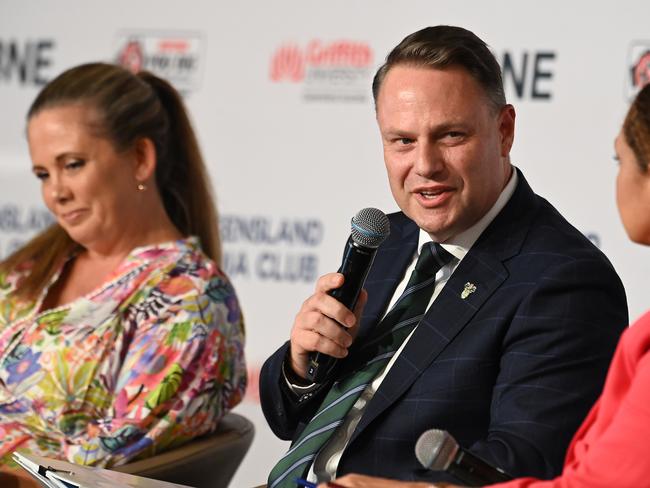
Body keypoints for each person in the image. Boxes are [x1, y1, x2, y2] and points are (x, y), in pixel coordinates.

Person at [260, 25, 629, 487]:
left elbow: (525, 462)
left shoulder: (566, 280)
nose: (425, 165)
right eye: (402, 141)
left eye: (450, 136)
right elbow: (285, 418)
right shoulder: (388, 237)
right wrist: (301, 363)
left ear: (504, 130)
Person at [0, 62, 247, 482]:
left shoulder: (191, 301)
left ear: (139, 158)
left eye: (73, 164)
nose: (56, 192)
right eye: (44, 174)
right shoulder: (31, 268)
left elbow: (91, 470)